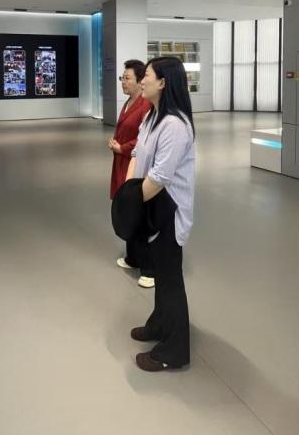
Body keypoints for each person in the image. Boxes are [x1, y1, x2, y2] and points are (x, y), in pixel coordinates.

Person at [126, 56, 196, 372]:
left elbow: (160, 176)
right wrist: (128, 192)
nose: (142, 80)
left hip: (168, 211)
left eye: (148, 75)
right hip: (150, 206)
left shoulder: (175, 126)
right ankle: (159, 325)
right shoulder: (152, 117)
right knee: (160, 273)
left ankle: (174, 350)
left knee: (169, 280)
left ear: (163, 82)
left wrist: (130, 203)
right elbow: (137, 154)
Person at [109, 59, 153, 287]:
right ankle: (132, 257)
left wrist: (123, 147)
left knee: (139, 213)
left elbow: (145, 139)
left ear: (140, 81)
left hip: (135, 165)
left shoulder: (145, 105)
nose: (123, 82)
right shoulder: (128, 102)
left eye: (127, 78)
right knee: (128, 210)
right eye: (122, 78)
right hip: (122, 162)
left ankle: (149, 268)